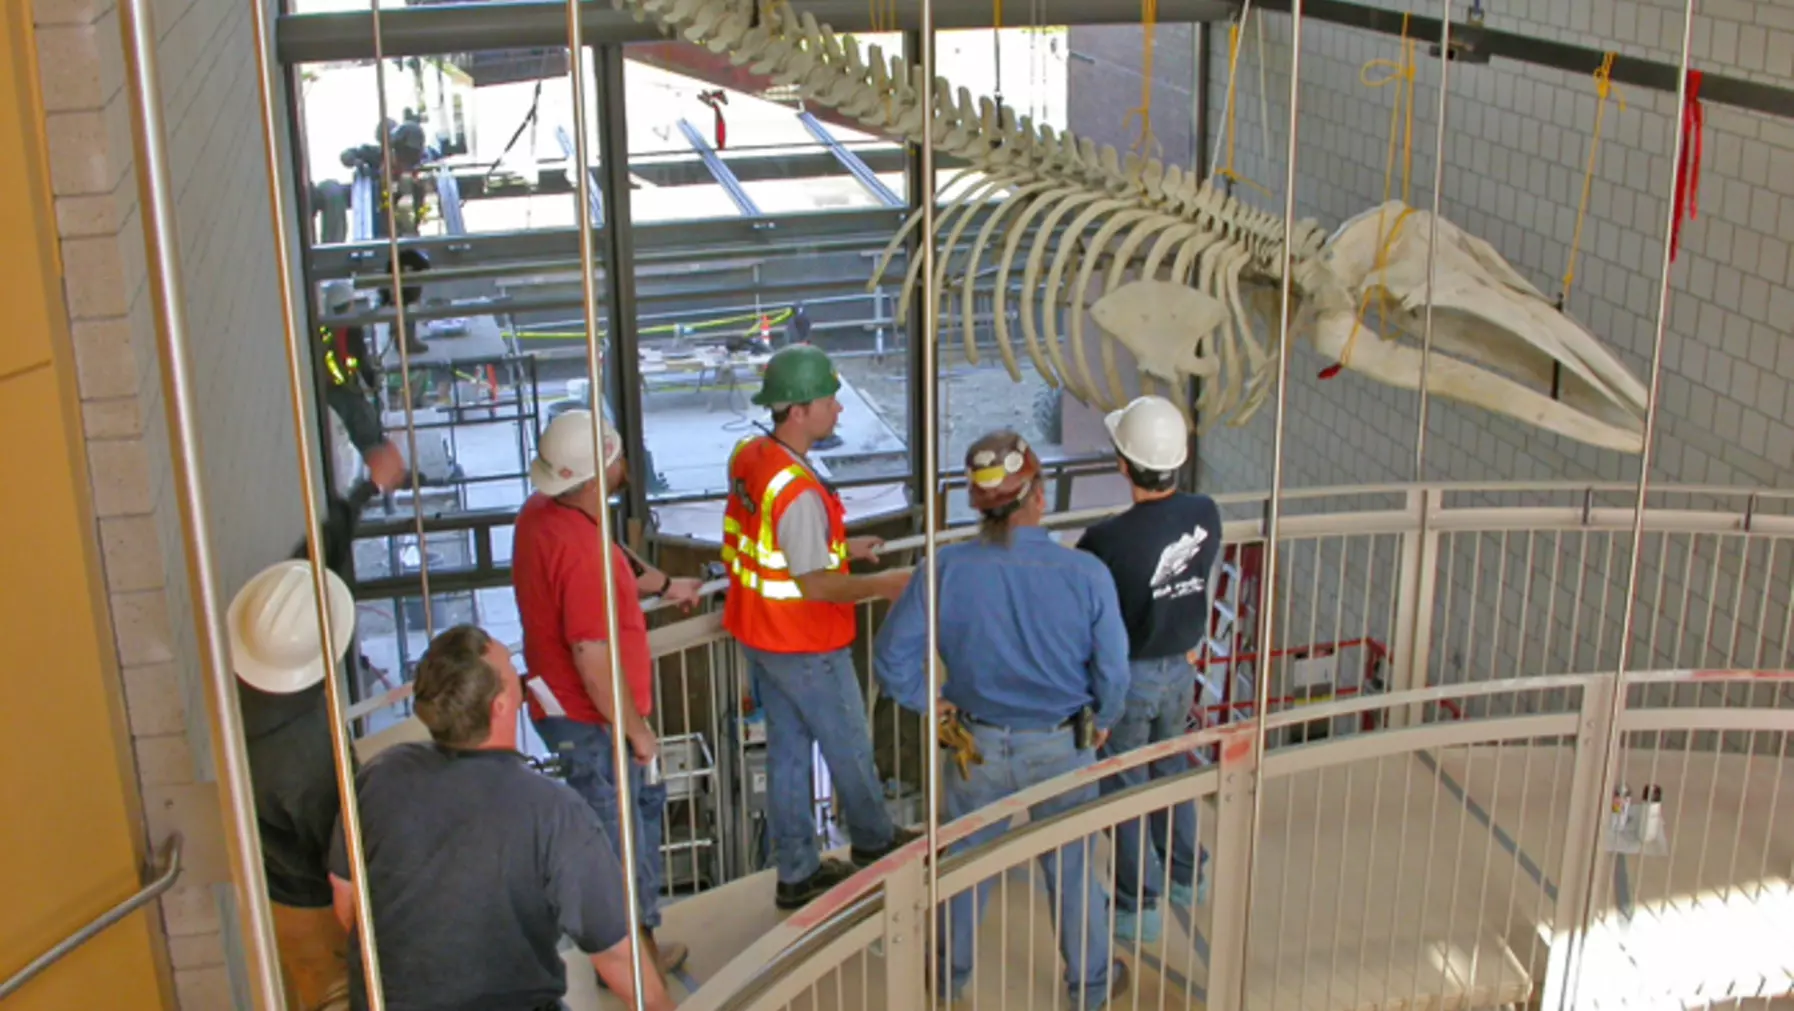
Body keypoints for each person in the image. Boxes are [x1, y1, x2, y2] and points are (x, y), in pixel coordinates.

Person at [874, 430, 1132, 1008]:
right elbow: (1114, 672)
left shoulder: (945, 569)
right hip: (1062, 744)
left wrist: (929, 700)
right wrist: (1105, 719)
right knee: (1071, 870)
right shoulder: (1086, 573)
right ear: (1037, 493)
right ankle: (1088, 988)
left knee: (963, 868)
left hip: (976, 745)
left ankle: (947, 983)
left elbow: (891, 658)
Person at [327, 624, 675, 1011]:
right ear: (501, 705)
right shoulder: (552, 811)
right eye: (511, 666)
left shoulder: (380, 776)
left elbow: (345, 900)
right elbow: (617, 955)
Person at [721, 343, 918, 908]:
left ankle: (797, 872)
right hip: (805, 643)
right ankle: (875, 846)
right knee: (850, 747)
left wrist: (841, 546)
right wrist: (883, 585)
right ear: (799, 410)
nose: (839, 410)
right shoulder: (799, 492)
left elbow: (776, 546)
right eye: (830, 400)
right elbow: (814, 584)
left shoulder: (752, 456)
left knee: (787, 755)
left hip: (759, 635)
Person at [511, 409, 702, 977]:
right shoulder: (580, 554)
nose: (624, 463)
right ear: (596, 476)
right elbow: (592, 656)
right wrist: (638, 733)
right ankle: (632, 965)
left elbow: (618, 559)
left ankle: (635, 950)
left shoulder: (545, 514)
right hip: (590, 720)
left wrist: (668, 585)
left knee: (624, 828)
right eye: (616, 457)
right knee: (618, 842)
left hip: (567, 710)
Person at [1076, 395, 1224, 944]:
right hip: (1183, 670)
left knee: (1127, 783)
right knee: (1173, 767)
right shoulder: (1205, 513)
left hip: (1130, 677)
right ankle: (1187, 875)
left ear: (1122, 462)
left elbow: (1093, 622)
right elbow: (1201, 577)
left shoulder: (1105, 541)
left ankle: (1139, 905)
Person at [229, 480, 380, 1011]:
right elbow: (342, 863)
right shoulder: (307, 759)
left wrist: (359, 499)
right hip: (313, 905)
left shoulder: (248, 692)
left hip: (274, 891)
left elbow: (309, 574)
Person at [316, 280, 405, 497]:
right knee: (369, 432)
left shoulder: (324, 327)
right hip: (346, 390)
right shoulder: (350, 328)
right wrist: (373, 382)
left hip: (333, 391)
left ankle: (390, 473)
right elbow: (360, 360)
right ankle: (389, 476)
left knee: (365, 434)